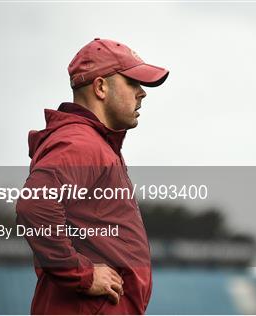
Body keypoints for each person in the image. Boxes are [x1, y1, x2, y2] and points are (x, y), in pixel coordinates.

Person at [15, 38, 168, 314]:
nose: (142, 93)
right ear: (100, 87)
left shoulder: (94, 142)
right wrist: (81, 273)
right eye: (133, 83)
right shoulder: (81, 142)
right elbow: (35, 204)